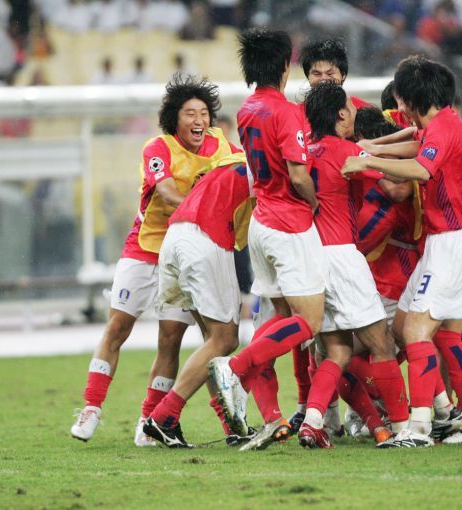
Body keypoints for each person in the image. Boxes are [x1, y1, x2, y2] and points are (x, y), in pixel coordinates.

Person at [70, 74, 242, 444]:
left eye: (204, 113)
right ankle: (91, 407)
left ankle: (148, 419)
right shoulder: (158, 147)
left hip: (184, 255)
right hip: (145, 249)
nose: (199, 120)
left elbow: (242, 173)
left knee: (170, 339)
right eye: (190, 113)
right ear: (174, 118)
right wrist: (203, 207)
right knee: (118, 327)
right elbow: (165, 191)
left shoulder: (220, 145)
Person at [343, 56, 462, 447]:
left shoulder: (442, 128)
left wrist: (367, 161)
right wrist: (373, 146)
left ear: (409, 98)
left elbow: (422, 169)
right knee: (416, 330)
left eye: (400, 98)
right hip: (453, 241)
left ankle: (420, 426)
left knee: (418, 331)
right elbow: (416, 143)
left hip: (452, 242)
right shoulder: (444, 124)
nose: (398, 106)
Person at [208, 28, 326, 452]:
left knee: (280, 315)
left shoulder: (246, 110)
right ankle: (236, 367)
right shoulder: (286, 112)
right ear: (285, 68)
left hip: (260, 223)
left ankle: (272, 415)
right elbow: (298, 175)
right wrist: (315, 202)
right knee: (310, 322)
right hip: (288, 224)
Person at [295, 81, 409, 449]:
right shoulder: (345, 150)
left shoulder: (303, 151)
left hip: (309, 258)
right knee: (383, 345)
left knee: (338, 351)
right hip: (342, 255)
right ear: (342, 114)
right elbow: (398, 187)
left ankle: (312, 421)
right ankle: (404, 428)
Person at [142, 157, 252, 448]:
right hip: (205, 239)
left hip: (175, 238)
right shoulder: (269, 165)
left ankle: (231, 425)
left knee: (212, 341)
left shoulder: (229, 164)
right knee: (225, 339)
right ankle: (163, 417)